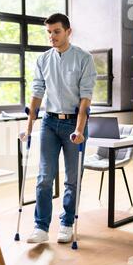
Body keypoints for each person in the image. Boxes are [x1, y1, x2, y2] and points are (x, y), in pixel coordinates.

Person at [24, 13, 97, 244]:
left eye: (56, 31)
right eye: (49, 32)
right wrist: (28, 128)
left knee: (72, 178)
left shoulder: (84, 58)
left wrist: (79, 129)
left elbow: (86, 98)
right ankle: (41, 227)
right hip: (49, 122)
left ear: (68, 31)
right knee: (45, 177)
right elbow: (36, 94)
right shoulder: (43, 59)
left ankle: (66, 223)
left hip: (74, 122)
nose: (51, 36)